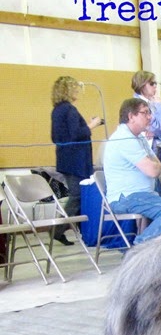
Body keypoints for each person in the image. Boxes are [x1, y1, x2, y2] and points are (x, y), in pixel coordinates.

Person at [103, 98, 161, 244]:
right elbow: (153, 170)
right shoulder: (124, 138)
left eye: (149, 113)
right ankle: (141, 247)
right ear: (131, 116)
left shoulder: (139, 138)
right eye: (145, 113)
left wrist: (154, 165)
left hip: (144, 195)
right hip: (126, 197)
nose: (150, 117)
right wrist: (155, 165)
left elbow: (156, 164)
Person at [50, 76, 103, 245]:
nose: (78, 91)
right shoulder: (69, 110)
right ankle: (57, 230)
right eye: (75, 88)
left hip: (65, 160)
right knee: (78, 196)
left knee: (77, 196)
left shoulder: (57, 110)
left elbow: (57, 136)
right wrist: (92, 125)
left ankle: (81, 230)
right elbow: (76, 134)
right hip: (76, 161)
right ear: (68, 90)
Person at [131, 70, 161, 162]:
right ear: (142, 85)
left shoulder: (152, 103)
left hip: (157, 146)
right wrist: (159, 107)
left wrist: (153, 130)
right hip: (143, 148)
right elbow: (158, 128)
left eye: (156, 83)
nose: (155, 86)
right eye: (152, 83)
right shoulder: (136, 104)